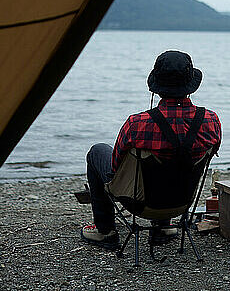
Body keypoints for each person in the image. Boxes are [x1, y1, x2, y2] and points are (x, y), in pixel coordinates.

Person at [80, 50, 222, 250]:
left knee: (97, 151)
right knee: (177, 155)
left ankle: (105, 231)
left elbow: (115, 169)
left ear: (156, 88)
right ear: (190, 87)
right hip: (182, 202)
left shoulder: (137, 123)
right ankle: (163, 227)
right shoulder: (211, 120)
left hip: (140, 204)